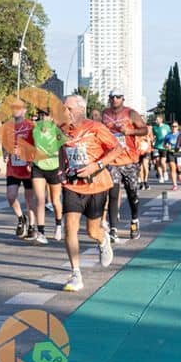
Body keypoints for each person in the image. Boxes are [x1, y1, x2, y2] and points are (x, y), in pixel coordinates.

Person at [58, 94, 123, 292]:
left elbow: (117, 148)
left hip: (96, 185)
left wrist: (97, 165)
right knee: (70, 228)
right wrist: (61, 169)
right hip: (72, 185)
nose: (65, 112)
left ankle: (103, 240)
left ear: (80, 109)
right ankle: (75, 273)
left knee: (92, 231)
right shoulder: (62, 129)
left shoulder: (96, 127)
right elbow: (61, 149)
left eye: (69, 108)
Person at [101, 89, 148, 242]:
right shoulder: (105, 114)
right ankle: (113, 229)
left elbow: (144, 130)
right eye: (112, 97)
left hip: (129, 160)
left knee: (132, 193)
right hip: (112, 160)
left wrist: (130, 131)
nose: (115, 99)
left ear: (123, 99)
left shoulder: (131, 113)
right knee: (113, 194)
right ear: (109, 98)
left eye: (118, 97)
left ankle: (134, 220)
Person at [30, 110, 66, 245]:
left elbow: (63, 149)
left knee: (55, 200)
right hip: (38, 167)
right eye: (42, 115)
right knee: (40, 199)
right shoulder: (35, 129)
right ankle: (41, 232)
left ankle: (58, 225)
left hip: (54, 168)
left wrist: (54, 154)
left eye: (47, 115)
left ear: (52, 117)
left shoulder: (57, 131)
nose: (44, 117)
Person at [2, 99, 36, 240]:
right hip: (13, 168)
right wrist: (5, 153)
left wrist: (24, 151)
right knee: (11, 196)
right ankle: (21, 218)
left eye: (19, 107)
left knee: (29, 199)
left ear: (24, 110)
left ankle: (32, 226)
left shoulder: (31, 126)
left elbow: (37, 146)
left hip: (28, 167)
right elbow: (4, 145)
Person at [151, 115, 171, 183]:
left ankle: (165, 172)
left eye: (157, 119)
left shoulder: (166, 127)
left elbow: (169, 135)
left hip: (164, 146)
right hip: (156, 146)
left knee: (162, 161)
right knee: (157, 162)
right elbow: (153, 136)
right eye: (155, 120)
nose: (156, 121)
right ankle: (161, 176)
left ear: (161, 120)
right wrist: (152, 140)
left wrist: (169, 143)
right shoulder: (154, 127)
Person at [163, 122, 181, 190]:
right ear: (170, 127)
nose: (174, 128)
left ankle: (179, 173)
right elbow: (164, 144)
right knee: (172, 168)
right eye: (172, 126)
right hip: (170, 153)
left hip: (179, 153)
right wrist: (166, 146)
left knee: (179, 167)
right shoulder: (168, 135)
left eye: (175, 126)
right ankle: (174, 184)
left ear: (178, 127)